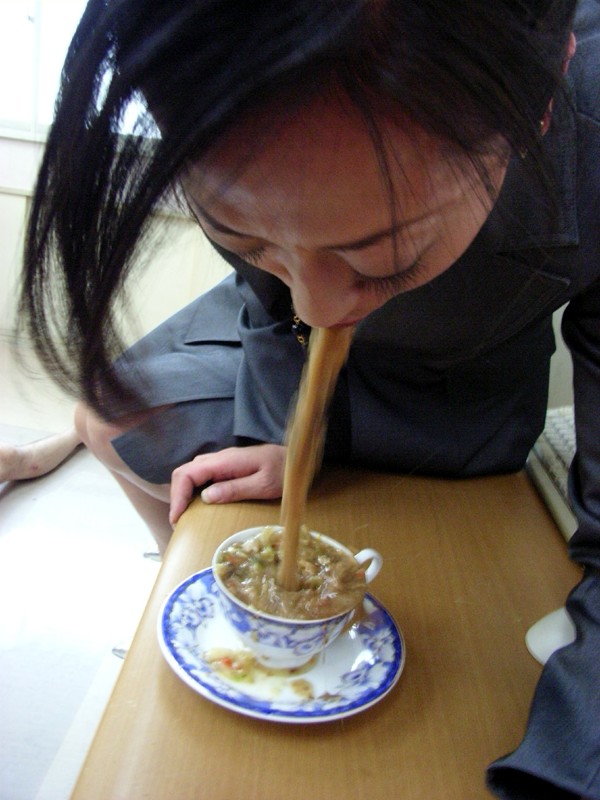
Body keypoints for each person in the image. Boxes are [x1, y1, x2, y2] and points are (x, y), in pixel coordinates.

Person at [17, 0, 600, 796]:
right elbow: (278, 303)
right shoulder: (281, 240)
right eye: (243, 230)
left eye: (385, 253)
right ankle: (174, 574)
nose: (317, 309)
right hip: (270, 340)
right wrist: (288, 429)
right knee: (104, 419)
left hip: (452, 380)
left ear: (541, 98)